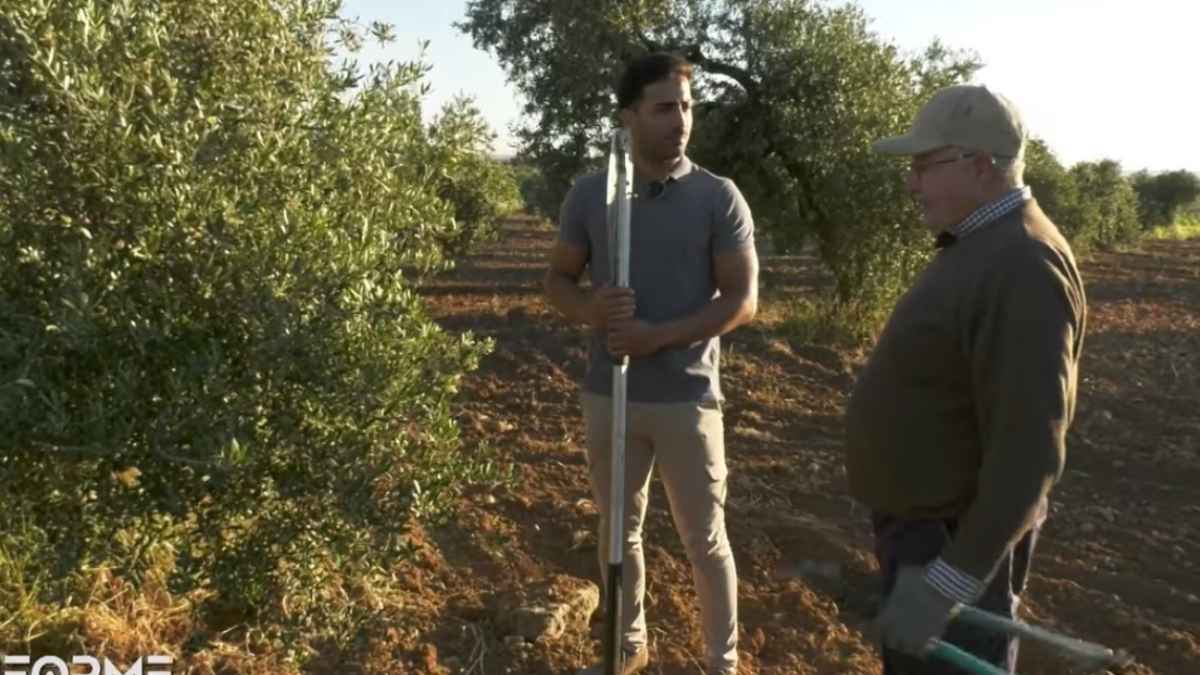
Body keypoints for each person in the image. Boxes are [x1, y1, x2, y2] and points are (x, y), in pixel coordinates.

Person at [844, 84, 1087, 673]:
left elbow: (1029, 452)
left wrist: (947, 583)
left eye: (924, 165)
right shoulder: (983, 246)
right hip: (928, 539)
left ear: (980, 165)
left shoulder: (1024, 264)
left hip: (953, 549)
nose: (912, 183)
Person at [543, 52, 759, 675]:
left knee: (705, 539)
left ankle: (721, 663)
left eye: (687, 107)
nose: (680, 120)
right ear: (629, 115)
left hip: (688, 399)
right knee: (619, 531)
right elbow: (557, 279)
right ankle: (628, 647)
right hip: (608, 394)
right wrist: (591, 309)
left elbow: (742, 302)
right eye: (665, 108)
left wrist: (654, 337)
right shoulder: (591, 194)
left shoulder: (718, 197)